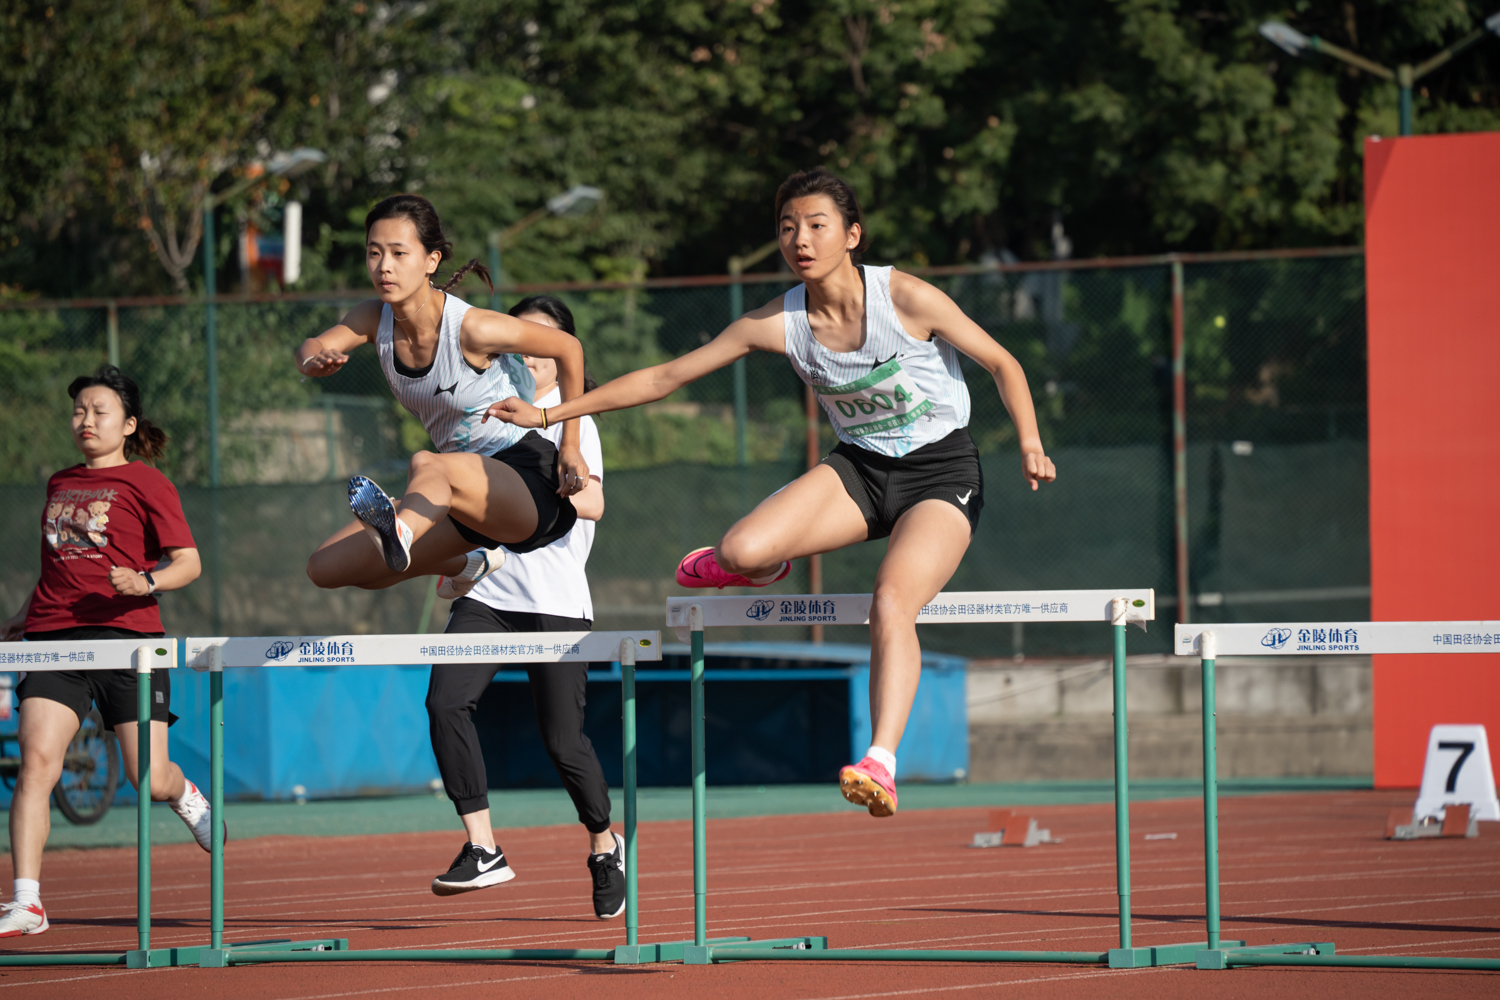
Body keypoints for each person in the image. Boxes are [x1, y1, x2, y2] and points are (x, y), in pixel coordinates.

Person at [490, 168, 1056, 818]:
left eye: (816, 225)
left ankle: (881, 760)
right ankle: (762, 563)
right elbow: (664, 378)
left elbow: (1003, 363)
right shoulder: (778, 321)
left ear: (852, 234)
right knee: (738, 548)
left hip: (942, 473)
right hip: (861, 470)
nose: (800, 239)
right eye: (788, 228)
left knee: (891, 598)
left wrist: (1032, 441)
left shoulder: (905, 298)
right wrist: (549, 415)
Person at [425, 295, 624, 919]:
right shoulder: (488, 419)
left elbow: (592, 506)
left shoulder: (576, 420)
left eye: (546, 339)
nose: (529, 348)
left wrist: (566, 476)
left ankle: (603, 844)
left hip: (555, 603)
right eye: (520, 337)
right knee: (444, 702)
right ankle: (482, 846)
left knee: (563, 740)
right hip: (490, 595)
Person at [0, 366, 216, 938]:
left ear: (128, 424)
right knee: (36, 767)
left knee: (146, 776)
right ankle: (27, 902)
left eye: (99, 411)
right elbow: (58, 567)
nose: (86, 421)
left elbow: (188, 563)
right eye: (79, 411)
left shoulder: (148, 483)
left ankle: (187, 795)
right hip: (53, 640)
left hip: (129, 642)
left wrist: (146, 582)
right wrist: (19, 620)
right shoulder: (59, 482)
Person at [295, 194, 591, 597]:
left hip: (524, 480)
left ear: (431, 261)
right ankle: (469, 562)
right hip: (458, 496)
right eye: (374, 253)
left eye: (399, 253)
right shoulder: (372, 318)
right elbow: (312, 345)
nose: (384, 266)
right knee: (326, 568)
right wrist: (311, 360)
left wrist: (570, 443)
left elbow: (568, 348)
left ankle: (399, 531)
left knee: (426, 463)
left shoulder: (472, 328)